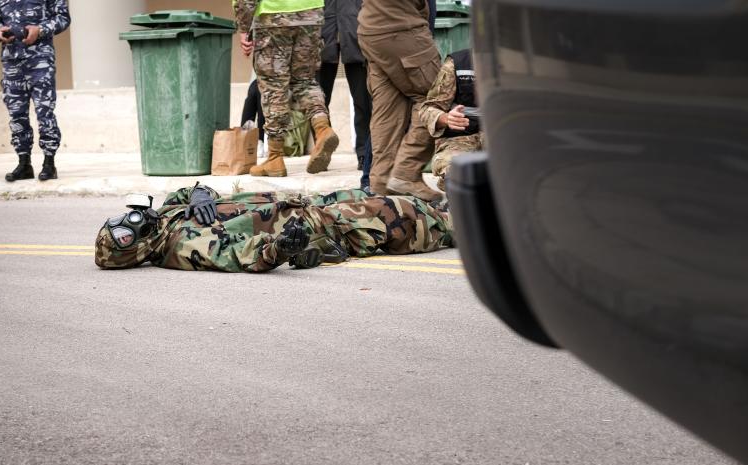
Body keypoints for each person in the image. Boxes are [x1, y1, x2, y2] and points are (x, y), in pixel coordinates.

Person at [94, 186, 453, 273]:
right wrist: (280, 249)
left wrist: (200, 192)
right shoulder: (181, 247)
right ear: (134, 251)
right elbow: (241, 256)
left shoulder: (166, 214)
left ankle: (447, 211)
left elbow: (193, 190)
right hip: (320, 224)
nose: (131, 222)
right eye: (125, 235)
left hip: (306, 201)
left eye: (118, 221)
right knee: (403, 217)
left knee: (382, 197)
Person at [233, 0, 340, 177]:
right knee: (305, 80)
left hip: (274, 17)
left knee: (274, 85)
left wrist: (244, 27)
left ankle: (275, 157)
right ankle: (322, 128)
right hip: (311, 15)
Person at [357, 0, 442, 202]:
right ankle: (406, 173)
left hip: (371, 28)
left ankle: (381, 182)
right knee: (437, 96)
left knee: (389, 108)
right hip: (400, 26)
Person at [0, 0, 70, 182]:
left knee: (44, 112)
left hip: (40, 59)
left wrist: (40, 30)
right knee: (16, 114)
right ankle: (24, 163)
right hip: (11, 62)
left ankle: (49, 163)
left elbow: (63, 18)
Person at [418, 48, 483, 191]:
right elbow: (427, 109)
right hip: (461, 140)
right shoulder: (459, 63)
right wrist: (445, 118)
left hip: (505, 139)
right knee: (456, 168)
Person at [317, 0, 370, 172]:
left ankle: (365, 154)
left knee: (363, 101)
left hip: (356, 32)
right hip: (322, 33)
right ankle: (321, 151)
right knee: (318, 101)